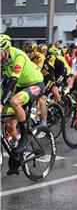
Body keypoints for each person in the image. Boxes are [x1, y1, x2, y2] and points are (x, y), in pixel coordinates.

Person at [0, 35, 45, 165]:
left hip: (35, 83)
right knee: (9, 123)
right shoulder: (3, 60)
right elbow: (2, 82)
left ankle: (25, 135)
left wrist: (1, 103)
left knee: (15, 101)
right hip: (21, 85)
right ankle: (18, 147)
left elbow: (12, 81)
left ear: (6, 50)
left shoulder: (18, 56)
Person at [25, 41, 55, 126]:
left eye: (30, 52)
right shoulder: (27, 56)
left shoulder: (40, 56)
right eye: (26, 52)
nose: (28, 54)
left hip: (48, 78)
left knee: (41, 100)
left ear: (35, 51)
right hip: (38, 78)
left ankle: (44, 123)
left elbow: (37, 70)